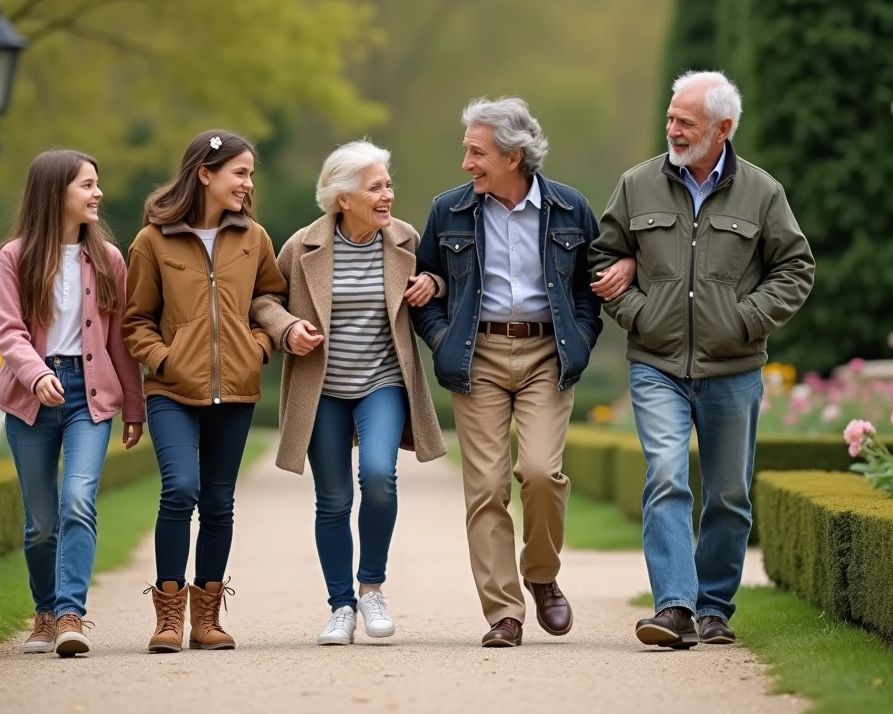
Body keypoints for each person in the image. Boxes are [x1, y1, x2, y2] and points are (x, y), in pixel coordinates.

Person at [589, 70, 814, 649]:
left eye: (685, 122)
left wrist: (745, 320)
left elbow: (796, 269)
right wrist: (638, 312)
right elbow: (604, 258)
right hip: (656, 362)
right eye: (671, 118)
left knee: (729, 494)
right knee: (665, 476)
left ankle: (714, 607)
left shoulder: (762, 192)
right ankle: (673, 607)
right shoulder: (637, 185)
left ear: (724, 128)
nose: (672, 129)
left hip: (734, 368)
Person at [410, 97, 629, 648]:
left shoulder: (571, 208)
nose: (467, 163)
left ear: (514, 156)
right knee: (484, 486)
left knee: (538, 472)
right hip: (476, 357)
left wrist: (578, 340)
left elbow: (587, 289)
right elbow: (425, 286)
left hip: (545, 357)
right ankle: (503, 614)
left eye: (477, 153)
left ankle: (541, 574)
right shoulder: (449, 211)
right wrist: (441, 340)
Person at [251, 140, 448, 646]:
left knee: (380, 475)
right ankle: (341, 605)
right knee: (333, 500)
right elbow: (264, 300)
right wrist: (288, 326)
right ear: (344, 198)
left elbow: (441, 280)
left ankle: (372, 587)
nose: (388, 195)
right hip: (323, 390)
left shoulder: (404, 239)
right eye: (376, 187)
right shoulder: (301, 246)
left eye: (388, 185)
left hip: (382, 381)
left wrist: (434, 285)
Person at [123, 130, 286, 653]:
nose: (247, 183)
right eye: (239, 172)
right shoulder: (153, 241)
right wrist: (164, 358)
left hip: (236, 390)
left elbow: (270, 299)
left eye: (250, 174)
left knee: (218, 503)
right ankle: (168, 615)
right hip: (171, 391)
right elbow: (135, 320)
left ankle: (206, 618)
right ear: (205, 174)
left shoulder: (254, 238)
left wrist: (258, 348)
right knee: (181, 489)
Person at [0, 149, 146, 658]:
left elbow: (120, 341)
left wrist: (134, 406)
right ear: (55, 193)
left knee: (78, 498)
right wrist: (36, 377)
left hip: (89, 394)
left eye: (96, 184)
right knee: (40, 524)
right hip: (30, 397)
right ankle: (43, 610)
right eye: (87, 185)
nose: (97, 193)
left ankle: (69, 613)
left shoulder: (108, 260)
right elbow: (9, 332)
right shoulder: (16, 257)